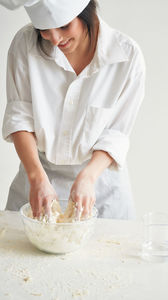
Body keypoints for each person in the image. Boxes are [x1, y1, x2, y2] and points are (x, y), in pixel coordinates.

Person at [1, 0, 146, 220]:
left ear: (87, 11)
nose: (56, 39)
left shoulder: (127, 58)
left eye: (64, 26)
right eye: (44, 31)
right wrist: (36, 177)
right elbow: (20, 117)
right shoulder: (25, 45)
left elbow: (116, 133)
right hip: (37, 175)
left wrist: (88, 177)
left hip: (100, 185)